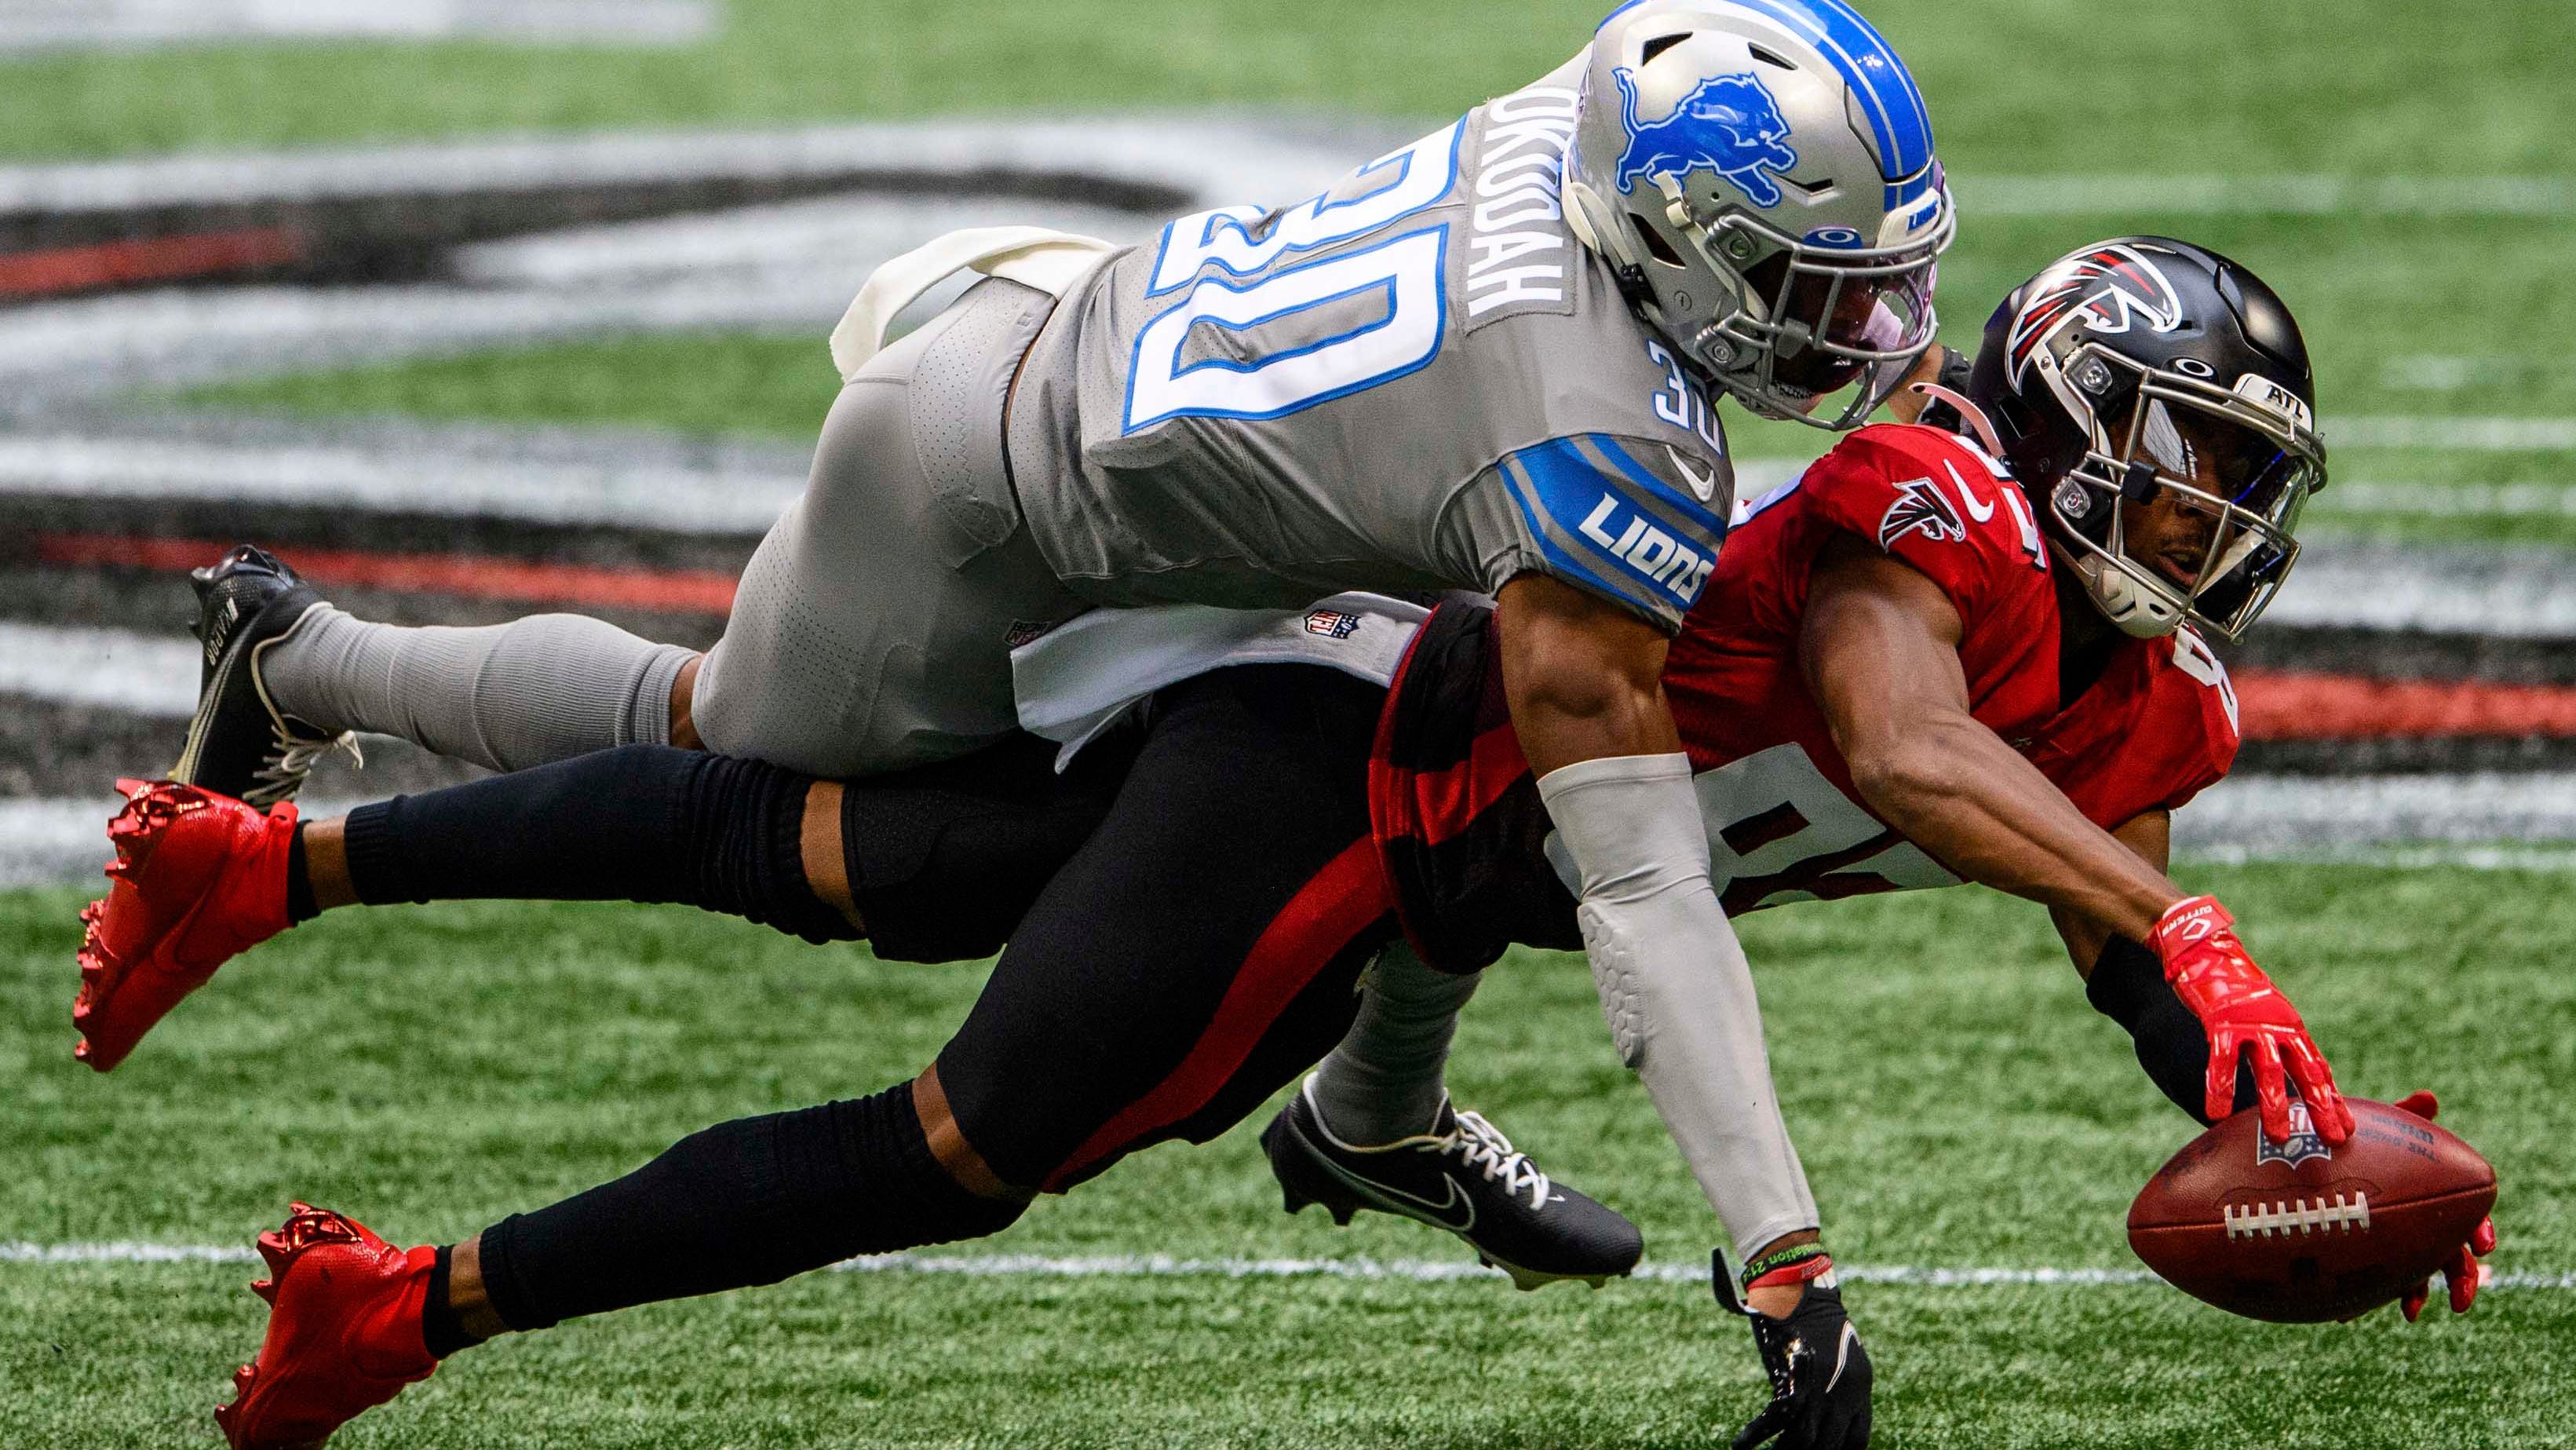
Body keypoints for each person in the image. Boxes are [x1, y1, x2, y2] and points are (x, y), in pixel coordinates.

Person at [96, 241, 2483, 1450]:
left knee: (822, 846)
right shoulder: (1925, 512)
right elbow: (1896, 734)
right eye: (2182, 469)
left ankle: (269, 850)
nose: (2215, 534)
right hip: (1348, 795)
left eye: (2233, 495)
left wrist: (2300, 1134)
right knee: (957, 1141)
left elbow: (2122, 938)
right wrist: (1798, 1252)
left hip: (1372, 744)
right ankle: (395, 1311)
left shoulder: (2150, 689)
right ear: (2062, 433)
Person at [111, 5, 1960, 1445]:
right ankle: (302, 659)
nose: (1878, 331)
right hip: (981, 507)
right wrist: (1784, 1251)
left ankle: (1375, 1109)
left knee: (1356, 760)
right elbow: (1639, 884)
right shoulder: (1589, 448)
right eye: (1822, 294)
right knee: (722, 737)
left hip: (1179, 442)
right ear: (1672, 240)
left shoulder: (1612, 97)